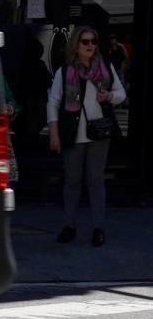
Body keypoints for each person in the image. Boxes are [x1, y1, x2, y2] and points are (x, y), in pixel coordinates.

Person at [47, 24, 124, 247]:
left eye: (93, 41)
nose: (90, 45)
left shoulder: (105, 67)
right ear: (76, 46)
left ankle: (98, 228)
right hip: (73, 134)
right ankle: (69, 226)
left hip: (99, 133)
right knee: (72, 180)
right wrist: (54, 134)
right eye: (85, 41)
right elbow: (53, 103)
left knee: (96, 181)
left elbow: (121, 93)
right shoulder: (65, 71)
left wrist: (109, 96)